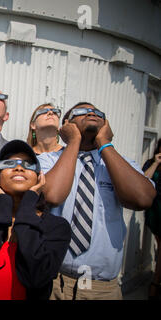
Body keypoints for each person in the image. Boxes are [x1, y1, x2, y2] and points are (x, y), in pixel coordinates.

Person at [38, 102, 156, 300]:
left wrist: (104, 144)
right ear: (66, 125)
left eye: (97, 113)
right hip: (54, 282)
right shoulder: (48, 161)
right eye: (82, 112)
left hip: (101, 289)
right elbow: (53, 196)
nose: (91, 113)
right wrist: (74, 141)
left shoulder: (121, 164)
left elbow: (142, 199)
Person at [0, 140, 71, 300]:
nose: (19, 167)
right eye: (9, 163)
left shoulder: (56, 227)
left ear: (39, 178)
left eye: (28, 164)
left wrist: (27, 207)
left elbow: (36, 278)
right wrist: (3, 206)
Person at [142, 138, 161, 299]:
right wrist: (156, 163)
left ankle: (156, 281)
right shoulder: (151, 163)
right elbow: (143, 181)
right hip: (156, 210)